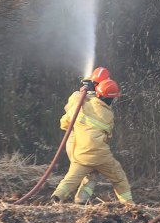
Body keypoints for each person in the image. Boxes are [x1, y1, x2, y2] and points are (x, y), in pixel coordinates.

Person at [49, 70, 133, 204]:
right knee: (119, 177)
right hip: (101, 156)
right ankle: (129, 204)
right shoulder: (108, 115)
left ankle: (58, 197)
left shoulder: (81, 105)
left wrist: (82, 91)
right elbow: (108, 136)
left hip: (80, 153)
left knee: (71, 178)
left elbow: (64, 123)